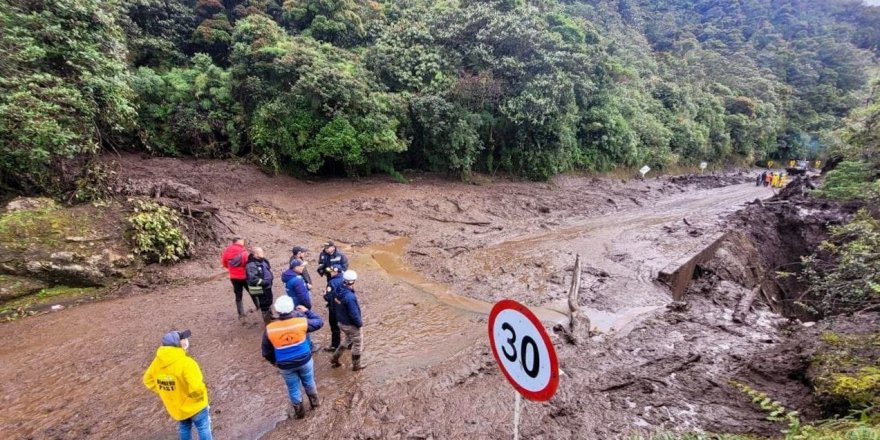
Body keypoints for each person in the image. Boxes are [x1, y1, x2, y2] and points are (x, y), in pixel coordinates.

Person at [143, 330, 212, 440]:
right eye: (183, 339)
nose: (186, 340)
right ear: (179, 344)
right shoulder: (187, 363)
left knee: (184, 427)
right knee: (203, 427)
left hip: (176, 406)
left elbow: (147, 380)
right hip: (196, 406)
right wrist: (199, 400)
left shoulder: (157, 362)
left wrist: (166, 390)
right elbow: (197, 387)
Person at [262, 296, 324, 419]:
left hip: (285, 364)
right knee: (309, 381)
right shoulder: (301, 322)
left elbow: (266, 352)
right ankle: (315, 403)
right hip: (304, 360)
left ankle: (299, 412)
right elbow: (319, 322)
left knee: (293, 388)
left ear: (277, 310)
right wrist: (307, 311)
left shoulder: (270, 329)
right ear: (292, 309)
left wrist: (274, 362)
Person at [331, 270, 365, 371]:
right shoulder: (349, 297)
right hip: (350, 325)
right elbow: (354, 314)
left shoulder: (338, 288)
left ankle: (334, 358)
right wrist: (359, 324)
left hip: (341, 322)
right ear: (352, 281)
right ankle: (356, 365)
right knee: (358, 344)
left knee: (347, 340)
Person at [221, 238, 249, 318]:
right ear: (239, 242)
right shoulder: (243, 251)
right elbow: (247, 262)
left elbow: (224, 262)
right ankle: (258, 306)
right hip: (244, 275)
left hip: (233, 277)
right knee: (252, 292)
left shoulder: (227, 250)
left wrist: (231, 269)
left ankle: (241, 314)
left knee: (238, 295)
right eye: (243, 242)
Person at [246, 247, 275, 324]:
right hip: (262, 288)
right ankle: (267, 322)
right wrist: (264, 282)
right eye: (261, 252)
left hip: (268, 286)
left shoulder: (263, 261)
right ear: (255, 254)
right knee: (264, 305)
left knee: (269, 301)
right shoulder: (251, 265)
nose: (263, 253)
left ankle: (271, 316)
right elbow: (253, 279)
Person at [322, 265, 345, 352]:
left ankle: (335, 346)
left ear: (335, 272)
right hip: (345, 307)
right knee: (347, 325)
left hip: (335, 308)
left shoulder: (332, 282)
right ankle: (350, 343)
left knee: (335, 327)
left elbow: (328, 297)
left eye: (331, 271)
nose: (330, 273)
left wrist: (324, 294)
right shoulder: (345, 279)